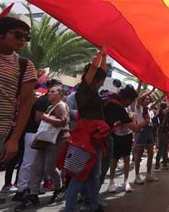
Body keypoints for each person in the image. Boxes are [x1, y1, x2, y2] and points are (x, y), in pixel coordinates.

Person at [0, 17, 37, 175]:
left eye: (26, 37)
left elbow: (25, 105)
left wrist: (14, 139)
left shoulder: (25, 66)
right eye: (18, 35)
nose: (23, 40)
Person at [65, 45, 108, 212]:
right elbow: (93, 71)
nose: (103, 82)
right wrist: (100, 53)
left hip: (95, 138)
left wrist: (105, 56)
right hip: (84, 138)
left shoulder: (94, 92)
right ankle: (70, 209)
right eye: (101, 80)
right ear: (93, 80)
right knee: (78, 175)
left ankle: (93, 204)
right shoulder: (84, 90)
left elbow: (100, 72)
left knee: (93, 175)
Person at [15, 85, 70, 210]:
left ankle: (59, 187)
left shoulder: (61, 106)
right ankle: (33, 195)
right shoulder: (51, 107)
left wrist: (44, 118)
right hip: (45, 139)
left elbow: (63, 122)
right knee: (37, 166)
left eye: (52, 92)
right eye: (49, 91)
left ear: (60, 94)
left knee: (49, 167)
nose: (49, 93)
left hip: (57, 140)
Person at [105, 86, 147, 193]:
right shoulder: (118, 106)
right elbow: (136, 128)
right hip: (115, 135)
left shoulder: (118, 103)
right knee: (113, 160)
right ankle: (111, 182)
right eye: (131, 100)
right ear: (127, 99)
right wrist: (146, 121)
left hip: (126, 136)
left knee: (127, 159)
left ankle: (125, 182)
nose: (131, 103)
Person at [133, 90, 159, 184]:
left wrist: (164, 95)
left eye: (149, 99)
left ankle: (148, 175)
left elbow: (156, 102)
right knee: (138, 154)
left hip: (149, 131)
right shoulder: (138, 107)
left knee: (151, 153)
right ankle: (137, 176)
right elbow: (139, 99)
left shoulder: (148, 108)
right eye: (146, 98)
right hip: (141, 130)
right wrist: (151, 90)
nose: (148, 100)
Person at [153, 103, 169, 170]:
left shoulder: (167, 114)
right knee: (161, 149)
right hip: (163, 133)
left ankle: (164, 164)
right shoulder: (162, 112)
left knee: (165, 149)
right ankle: (157, 165)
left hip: (164, 133)